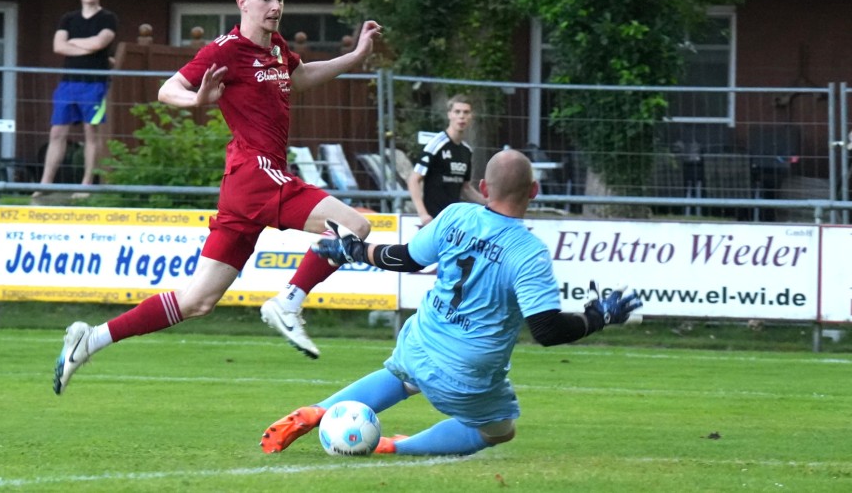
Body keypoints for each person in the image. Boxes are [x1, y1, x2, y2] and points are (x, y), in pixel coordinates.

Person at [52, 0, 383, 395]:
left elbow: (300, 78)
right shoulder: (225, 49)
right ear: (242, 2)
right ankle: (288, 301)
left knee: (197, 301)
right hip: (255, 174)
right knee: (355, 224)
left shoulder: (277, 47)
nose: (275, 6)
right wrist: (198, 100)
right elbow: (167, 89)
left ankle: (90, 339)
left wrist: (357, 55)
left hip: (245, 187)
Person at [260, 150, 643, 456]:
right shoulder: (528, 253)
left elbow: (405, 258)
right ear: (534, 190)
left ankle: (317, 411)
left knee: (402, 376)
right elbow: (546, 330)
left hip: (422, 340)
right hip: (468, 372)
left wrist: (355, 249)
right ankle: (396, 446)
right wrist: (598, 316)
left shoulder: (456, 215)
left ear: (483, 187)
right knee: (498, 430)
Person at [36, 0, 118, 199]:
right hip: (68, 83)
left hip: (95, 84)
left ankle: (86, 184)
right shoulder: (68, 19)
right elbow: (58, 46)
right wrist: (85, 47)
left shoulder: (107, 18)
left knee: (90, 132)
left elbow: (100, 42)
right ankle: (45, 183)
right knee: (57, 132)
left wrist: (73, 42)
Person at [407, 94, 486, 225]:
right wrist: (423, 214)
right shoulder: (436, 144)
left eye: (466, 112)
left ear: (471, 117)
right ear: (449, 114)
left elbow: (465, 188)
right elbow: (414, 179)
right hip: (433, 220)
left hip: (453, 220)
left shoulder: (466, 151)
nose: (462, 116)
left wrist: (487, 202)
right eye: (457, 112)